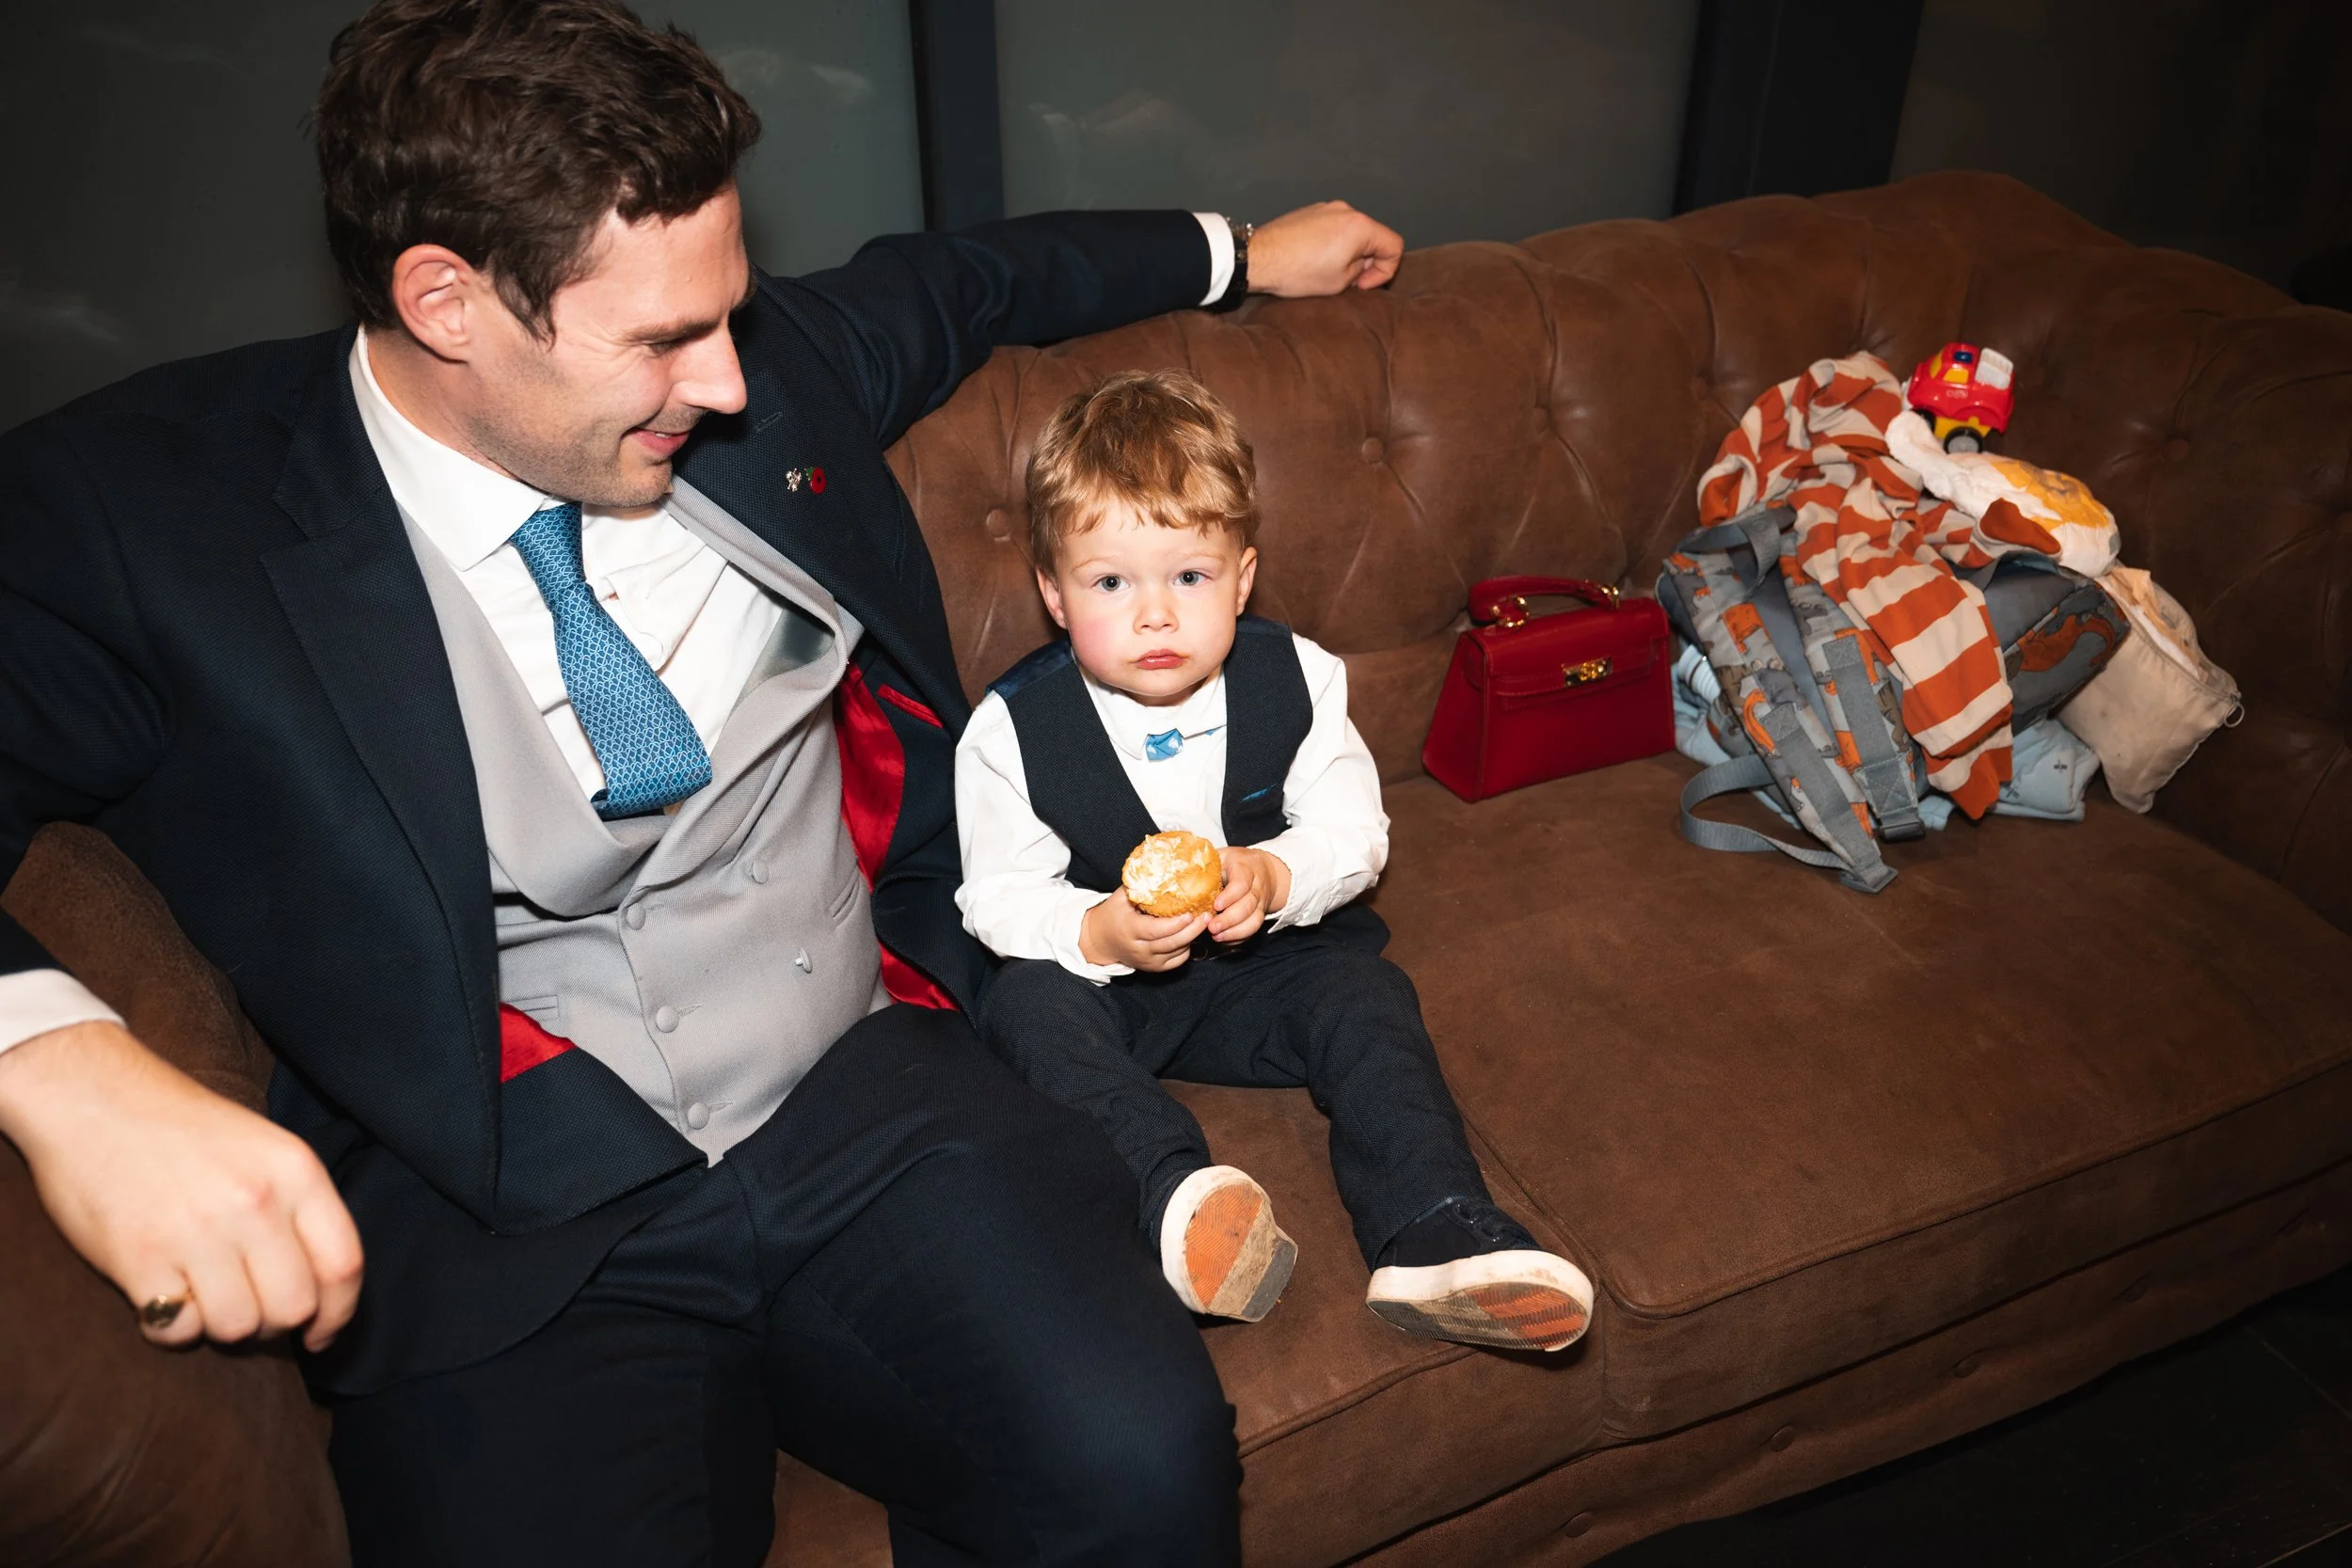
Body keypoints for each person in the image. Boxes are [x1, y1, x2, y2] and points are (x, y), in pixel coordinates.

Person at [0, 3, 1409, 1563]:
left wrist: (1239, 249)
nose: (734, 379)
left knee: (1139, 1469)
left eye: (727, 310)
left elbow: (972, 279)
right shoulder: (150, 512)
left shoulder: (768, 376)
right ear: (446, 301)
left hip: (870, 1085)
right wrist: (64, 1068)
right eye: (666, 339)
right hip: (506, 1212)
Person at [956, 370, 1595, 1348]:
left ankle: (1433, 1230)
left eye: (1190, 576)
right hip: (1114, 990)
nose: (1155, 615)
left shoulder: (1298, 677)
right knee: (1022, 1008)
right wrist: (1098, 929)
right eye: (1110, 581)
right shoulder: (1007, 730)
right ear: (1051, 590)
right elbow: (997, 896)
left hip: (1268, 967)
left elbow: (1354, 833)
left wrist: (1274, 876)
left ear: (1243, 577)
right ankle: (1181, 1206)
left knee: (1368, 996)